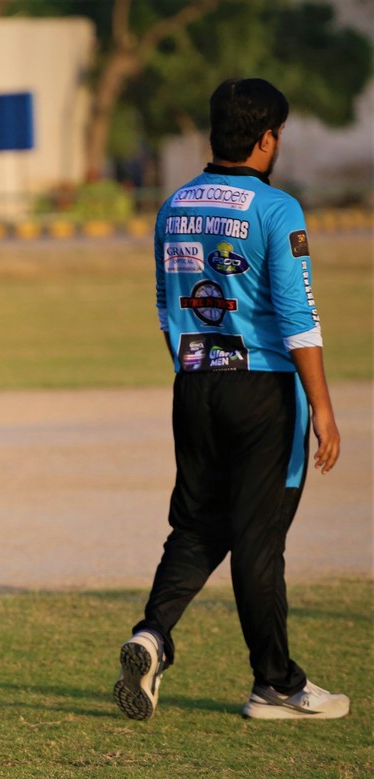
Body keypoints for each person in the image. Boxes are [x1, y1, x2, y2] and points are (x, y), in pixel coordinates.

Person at [114, 78, 348, 723]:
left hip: (194, 380)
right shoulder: (277, 209)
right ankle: (275, 684)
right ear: (268, 137)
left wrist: (195, 368)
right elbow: (298, 317)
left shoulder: (174, 205)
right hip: (263, 390)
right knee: (258, 538)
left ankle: (152, 635)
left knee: (198, 524)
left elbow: (164, 306)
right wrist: (322, 407)